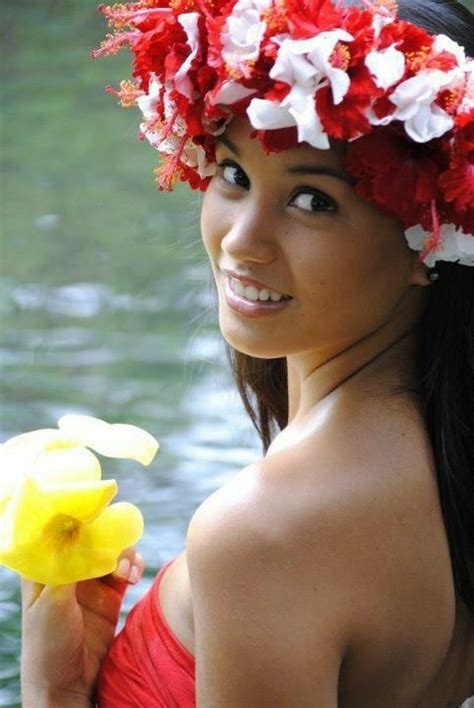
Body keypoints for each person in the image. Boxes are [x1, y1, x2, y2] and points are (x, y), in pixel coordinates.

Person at [20, 0, 474, 705]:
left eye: (313, 201)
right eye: (234, 175)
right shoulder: (444, 466)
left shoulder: (265, 532)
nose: (241, 241)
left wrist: (49, 699)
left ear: (433, 234)